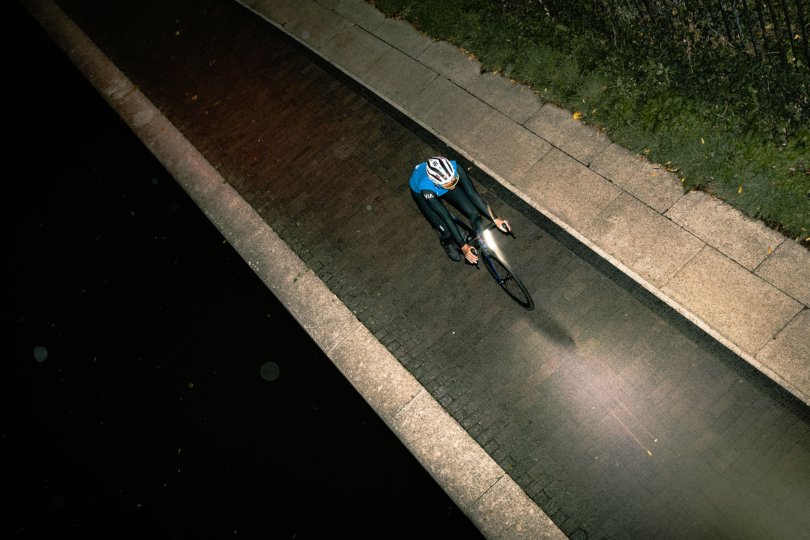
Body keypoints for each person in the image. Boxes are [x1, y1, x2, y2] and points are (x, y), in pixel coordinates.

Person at [409, 156, 510, 263]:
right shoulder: (426, 189)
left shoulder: (456, 167)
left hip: (441, 185)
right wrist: (463, 247)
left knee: (474, 212)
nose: (453, 185)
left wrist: (496, 219)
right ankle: (445, 242)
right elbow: (447, 218)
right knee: (447, 231)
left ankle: (478, 236)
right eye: (449, 183)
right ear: (436, 183)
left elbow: (474, 196)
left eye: (454, 179)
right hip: (422, 193)